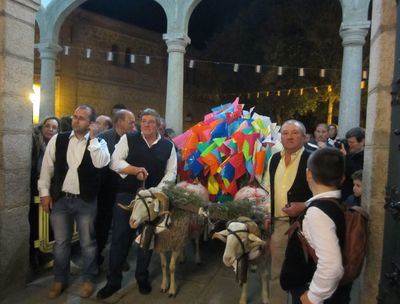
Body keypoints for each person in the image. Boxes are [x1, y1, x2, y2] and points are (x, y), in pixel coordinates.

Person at [97, 108, 177, 299]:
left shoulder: (168, 145)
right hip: (127, 195)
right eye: (144, 121)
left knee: (147, 239)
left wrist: (155, 191)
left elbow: (171, 173)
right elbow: (114, 162)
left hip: (152, 198)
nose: (146, 125)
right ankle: (113, 281)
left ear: (158, 125)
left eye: (151, 122)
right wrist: (133, 170)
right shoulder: (129, 139)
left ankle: (142, 276)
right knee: (119, 238)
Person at [38, 105, 110, 299]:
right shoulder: (58, 139)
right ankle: (59, 279)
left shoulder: (100, 143)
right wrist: (44, 193)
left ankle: (88, 279)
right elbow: (47, 168)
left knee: (88, 243)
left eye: (82, 118)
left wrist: (94, 138)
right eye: (75, 117)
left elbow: (101, 163)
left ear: (91, 123)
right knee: (61, 243)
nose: (76, 120)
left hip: (86, 201)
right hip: (61, 200)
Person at [280, 147, 349, 304]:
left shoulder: (317, 213)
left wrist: (313, 297)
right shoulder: (334, 204)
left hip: (310, 289)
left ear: (308, 174)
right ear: (342, 178)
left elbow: (332, 266)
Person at [261, 119, 312, 303]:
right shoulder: (274, 159)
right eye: (285, 133)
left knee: (303, 274)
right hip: (280, 224)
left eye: (295, 132)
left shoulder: (312, 158)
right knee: (277, 271)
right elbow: (269, 189)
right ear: (280, 136)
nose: (289, 136)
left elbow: (326, 194)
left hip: (307, 227)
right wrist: (268, 213)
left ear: (304, 137)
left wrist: (304, 205)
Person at [95, 109, 136, 266]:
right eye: (130, 122)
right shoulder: (103, 138)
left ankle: (120, 259)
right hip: (105, 191)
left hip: (124, 190)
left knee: (124, 230)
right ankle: (97, 259)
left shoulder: (133, 139)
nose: (134, 125)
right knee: (102, 227)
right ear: (119, 122)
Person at [29, 116, 60, 270]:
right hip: (34, 190)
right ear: (42, 127)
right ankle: (33, 256)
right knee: (34, 224)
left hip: (50, 191)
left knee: (48, 226)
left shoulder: (58, 146)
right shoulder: (34, 143)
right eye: (48, 126)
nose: (50, 129)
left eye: (54, 128)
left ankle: (45, 255)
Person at [340, 127, 365, 200]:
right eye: (348, 142)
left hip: (355, 197)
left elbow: (356, 174)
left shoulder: (367, 157)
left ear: (362, 141)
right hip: (345, 196)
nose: (349, 145)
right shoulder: (349, 154)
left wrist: (346, 157)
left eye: (352, 142)